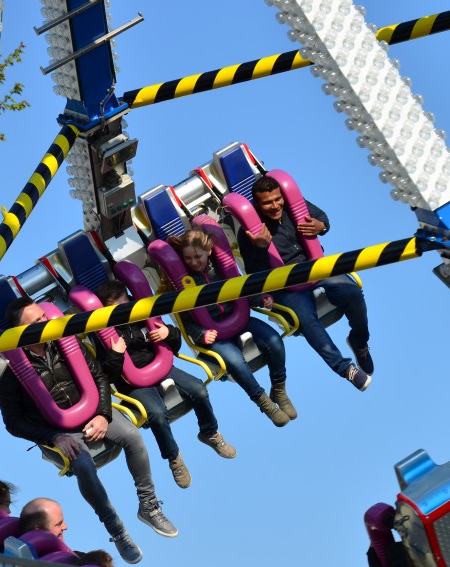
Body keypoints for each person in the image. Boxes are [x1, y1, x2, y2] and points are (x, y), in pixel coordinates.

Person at [0, 297, 176, 565]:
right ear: (20, 331)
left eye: (44, 316)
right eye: (36, 322)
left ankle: (149, 505)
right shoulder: (10, 370)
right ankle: (116, 529)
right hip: (58, 429)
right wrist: (53, 437)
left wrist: (103, 414)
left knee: (134, 437)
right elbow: (13, 422)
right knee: (83, 465)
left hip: (94, 411)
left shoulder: (66, 342)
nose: (45, 323)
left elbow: (99, 376)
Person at [237, 175, 373, 391]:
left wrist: (322, 226)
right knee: (306, 321)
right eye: (267, 203)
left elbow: (321, 218)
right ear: (257, 204)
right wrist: (261, 248)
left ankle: (359, 340)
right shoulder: (249, 232)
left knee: (352, 292)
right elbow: (254, 273)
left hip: (314, 267)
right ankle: (345, 368)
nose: (275, 206)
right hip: (286, 284)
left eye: (277, 199)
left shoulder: (294, 204)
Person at [94, 278, 237, 476]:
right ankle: (173, 457)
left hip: (161, 366)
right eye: (116, 308)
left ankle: (209, 432)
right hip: (133, 381)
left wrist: (168, 333)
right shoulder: (103, 333)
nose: (124, 310)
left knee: (199, 390)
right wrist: (116, 354)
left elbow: (175, 347)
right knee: (157, 413)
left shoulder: (142, 313)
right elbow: (107, 374)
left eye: (125, 303)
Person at [165, 231, 296, 427]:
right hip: (214, 334)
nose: (193, 262)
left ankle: (279, 389)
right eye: (188, 258)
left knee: (275, 341)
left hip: (239, 319)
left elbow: (244, 291)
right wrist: (201, 334)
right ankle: (264, 403)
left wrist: (262, 299)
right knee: (235, 361)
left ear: (209, 252)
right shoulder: (182, 281)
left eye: (198, 256)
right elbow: (186, 322)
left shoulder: (222, 268)